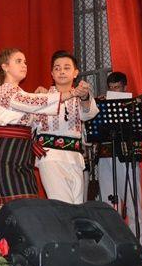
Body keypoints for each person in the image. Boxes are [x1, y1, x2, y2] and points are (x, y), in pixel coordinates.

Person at [0, 48, 77, 207]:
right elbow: (32, 102)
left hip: (21, 153)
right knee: (17, 209)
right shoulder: (5, 90)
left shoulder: (19, 92)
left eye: (25, 62)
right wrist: (71, 94)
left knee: (28, 207)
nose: (24, 65)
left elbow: (33, 113)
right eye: (18, 61)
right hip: (6, 153)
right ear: (5, 67)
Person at [33, 51, 97, 204]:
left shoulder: (82, 95)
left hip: (75, 157)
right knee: (62, 204)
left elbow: (88, 114)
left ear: (75, 73)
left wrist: (84, 96)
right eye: (57, 68)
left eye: (67, 68)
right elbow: (30, 122)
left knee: (76, 205)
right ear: (52, 74)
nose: (61, 71)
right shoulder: (43, 97)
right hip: (50, 156)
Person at [96, 71, 142, 245]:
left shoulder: (134, 105)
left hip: (127, 156)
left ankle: (138, 246)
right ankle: (113, 246)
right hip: (105, 157)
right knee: (108, 203)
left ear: (125, 87)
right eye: (111, 88)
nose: (114, 91)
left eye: (117, 87)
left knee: (133, 204)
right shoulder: (101, 104)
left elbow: (141, 127)